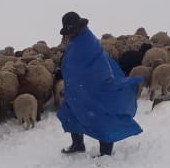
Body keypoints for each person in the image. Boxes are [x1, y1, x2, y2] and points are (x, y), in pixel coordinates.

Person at [56, 12, 142, 156]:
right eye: (68, 32)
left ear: (78, 28)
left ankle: (105, 152)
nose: (69, 35)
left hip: (96, 87)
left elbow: (99, 64)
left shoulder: (88, 42)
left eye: (71, 31)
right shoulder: (75, 42)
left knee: (101, 115)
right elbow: (72, 65)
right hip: (78, 89)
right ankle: (78, 144)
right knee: (71, 111)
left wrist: (101, 83)